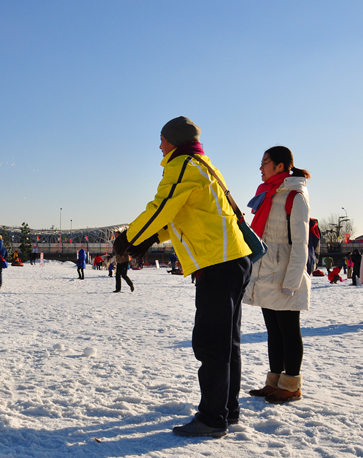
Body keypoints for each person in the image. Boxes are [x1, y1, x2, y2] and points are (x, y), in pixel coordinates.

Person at [114, 116, 251, 438]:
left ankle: (212, 419)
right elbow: (179, 216)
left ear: (174, 140)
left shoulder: (183, 166)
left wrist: (129, 238)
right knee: (227, 342)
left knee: (211, 343)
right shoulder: (203, 166)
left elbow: (161, 206)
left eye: (162, 139)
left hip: (217, 261)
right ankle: (227, 410)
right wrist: (149, 237)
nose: (159, 145)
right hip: (233, 258)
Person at [244, 146, 311, 405]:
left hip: (284, 272)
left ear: (280, 166)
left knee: (289, 329)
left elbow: (300, 243)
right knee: (273, 330)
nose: (260, 168)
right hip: (267, 269)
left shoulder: (295, 195)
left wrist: (292, 282)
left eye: (265, 162)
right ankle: (274, 382)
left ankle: (291, 385)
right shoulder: (268, 193)